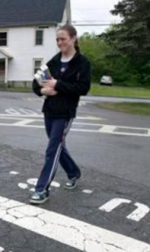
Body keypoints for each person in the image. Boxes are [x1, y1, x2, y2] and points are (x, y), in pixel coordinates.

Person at [29, 25, 91, 205]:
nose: (59, 42)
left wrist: (57, 84)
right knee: (57, 146)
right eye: (57, 39)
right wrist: (43, 91)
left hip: (65, 113)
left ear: (73, 38)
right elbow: (36, 83)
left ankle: (41, 189)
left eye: (63, 38)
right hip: (49, 110)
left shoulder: (82, 63)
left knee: (52, 148)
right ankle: (73, 172)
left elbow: (83, 88)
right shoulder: (54, 61)